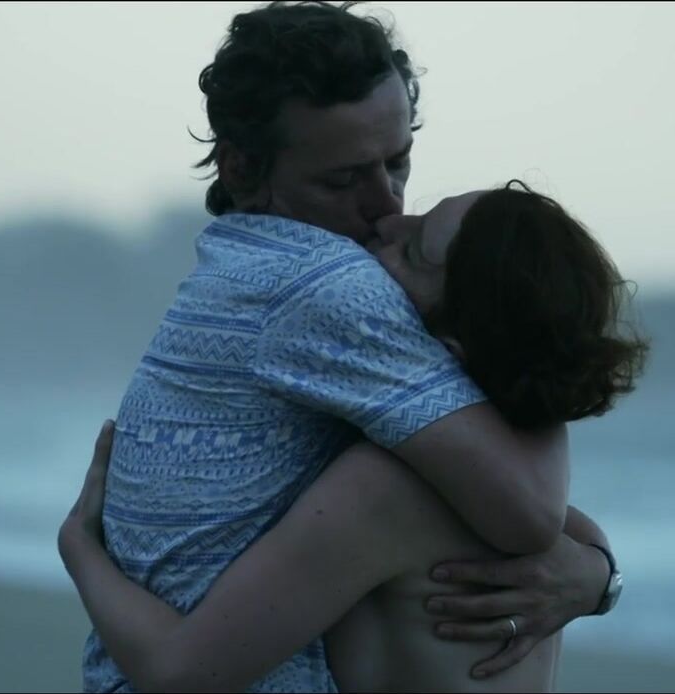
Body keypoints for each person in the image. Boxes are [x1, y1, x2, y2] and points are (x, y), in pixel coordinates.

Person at [73, 3, 625, 691]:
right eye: (343, 179)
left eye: (399, 163)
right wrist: (594, 570)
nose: (388, 209)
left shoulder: (236, 265)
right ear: (242, 169)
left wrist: (594, 570)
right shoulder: (330, 286)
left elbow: (515, 498)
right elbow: (533, 514)